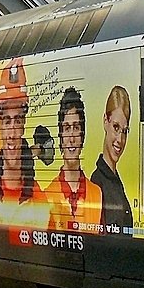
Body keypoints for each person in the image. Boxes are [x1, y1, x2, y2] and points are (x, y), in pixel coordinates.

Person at [0, 57, 49, 228]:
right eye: (6, 121)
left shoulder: (40, 201)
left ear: (23, 125)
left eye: (17, 121)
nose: (12, 133)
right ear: (0, 124)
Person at [45, 87, 102, 232]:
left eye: (76, 128)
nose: (71, 138)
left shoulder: (97, 194)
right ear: (61, 136)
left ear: (82, 136)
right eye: (66, 128)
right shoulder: (47, 195)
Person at [90, 85, 133, 234]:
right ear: (105, 122)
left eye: (125, 131)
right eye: (116, 127)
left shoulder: (115, 180)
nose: (120, 139)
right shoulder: (98, 182)